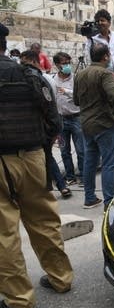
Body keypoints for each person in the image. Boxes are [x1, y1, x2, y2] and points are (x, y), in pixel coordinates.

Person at [0, 23, 74, 308]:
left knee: (5, 234)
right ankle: (61, 278)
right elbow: (54, 121)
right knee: (44, 221)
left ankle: (19, 299)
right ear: (5, 46)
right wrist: (37, 148)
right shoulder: (30, 75)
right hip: (34, 158)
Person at [74, 44, 114, 210]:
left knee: (90, 162)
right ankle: (109, 202)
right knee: (109, 163)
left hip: (86, 124)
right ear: (105, 57)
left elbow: (76, 100)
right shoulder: (105, 73)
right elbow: (113, 94)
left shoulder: (80, 74)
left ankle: (89, 198)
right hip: (104, 123)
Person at [20, 50, 72, 199]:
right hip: (46, 126)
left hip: (44, 127)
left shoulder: (45, 79)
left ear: (36, 62)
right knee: (49, 157)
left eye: (25, 63)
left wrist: (54, 128)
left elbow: (50, 104)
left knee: (46, 157)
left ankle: (53, 187)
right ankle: (60, 186)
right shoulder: (46, 78)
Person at [53, 52, 85, 186]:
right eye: (63, 63)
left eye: (68, 63)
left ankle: (83, 176)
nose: (66, 65)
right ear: (56, 65)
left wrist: (66, 92)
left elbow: (81, 96)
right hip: (60, 120)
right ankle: (70, 176)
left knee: (81, 150)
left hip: (76, 118)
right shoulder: (53, 79)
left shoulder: (76, 79)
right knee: (64, 151)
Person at [84, 9, 114, 93]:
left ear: (109, 23)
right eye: (98, 21)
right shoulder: (92, 39)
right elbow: (88, 58)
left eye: (102, 20)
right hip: (102, 78)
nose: (100, 23)